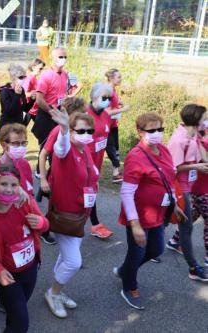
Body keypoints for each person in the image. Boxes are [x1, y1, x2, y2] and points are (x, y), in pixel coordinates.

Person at [114, 112, 186, 309]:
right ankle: (129, 285)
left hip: (160, 213)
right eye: (151, 130)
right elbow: (127, 193)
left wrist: (175, 204)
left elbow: (169, 179)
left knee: (157, 249)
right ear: (140, 132)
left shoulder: (164, 150)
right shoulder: (135, 156)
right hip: (139, 216)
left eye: (160, 129)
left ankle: (124, 270)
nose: (157, 133)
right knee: (137, 253)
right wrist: (135, 224)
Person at [0, 165, 49, 332]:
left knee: (16, 313)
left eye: (14, 185)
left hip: (31, 268)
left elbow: (45, 225)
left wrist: (41, 223)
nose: (9, 190)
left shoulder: (25, 201)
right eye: (3, 184)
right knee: (21, 324)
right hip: (8, 275)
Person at [44, 111, 99, 319]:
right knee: (74, 262)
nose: (86, 134)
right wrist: (65, 130)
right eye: (81, 131)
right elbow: (60, 147)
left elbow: (91, 176)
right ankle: (53, 293)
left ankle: (58, 287)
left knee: (66, 256)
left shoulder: (85, 150)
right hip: (65, 215)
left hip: (80, 215)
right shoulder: (65, 151)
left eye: (89, 130)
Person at [165, 104, 208, 282]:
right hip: (179, 190)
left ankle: (191, 264)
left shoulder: (193, 136)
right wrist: (195, 166)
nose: (206, 121)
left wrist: (200, 138)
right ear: (196, 119)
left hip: (188, 190)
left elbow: (204, 159)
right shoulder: (178, 139)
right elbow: (173, 168)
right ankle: (193, 267)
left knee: (185, 227)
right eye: (204, 118)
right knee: (184, 227)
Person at [86, 82, 130, 239]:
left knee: (85, 196)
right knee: (85, 195)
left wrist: (114, 160)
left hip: (96, 165)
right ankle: (96, 225)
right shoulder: (83, 114)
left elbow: (107, 140)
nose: (108, 100)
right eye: (104, 97)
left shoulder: (106, 115)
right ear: (93, 96)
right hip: (82, 165)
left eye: (109, 98)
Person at [32, 47, 69, 150]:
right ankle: (41, 167)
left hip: (59, 113)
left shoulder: (65, 74)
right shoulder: (46, 75)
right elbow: (39, 99)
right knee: (45, 148)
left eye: (65, 57)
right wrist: (51, 112)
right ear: (53, 58)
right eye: (60, 57)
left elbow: (64, 94)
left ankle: (54, 166)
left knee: (58, 147)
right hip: (46, 114)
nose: (63, 59)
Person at [105, 68, 131, 183]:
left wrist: (120, 103)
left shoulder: (113, 90)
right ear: (111, 78)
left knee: (115, 148)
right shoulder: (107, 91)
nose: (121, 79)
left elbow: (113, 102)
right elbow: (107, 111)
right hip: (105, 125)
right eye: (118, 77)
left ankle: (116, 173)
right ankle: (115, 174)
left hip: (113, 124)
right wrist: (123, 109)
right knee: (110, 148)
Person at [191, 114, 207, 267]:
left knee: (192, 215)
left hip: (199, 189)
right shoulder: (203, 143)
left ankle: (175, 240)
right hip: (202, 190)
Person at [0, 64, 33, 130]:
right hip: (7, 127)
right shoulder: (5, 91)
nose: (23, 79)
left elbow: (24, 109)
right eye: (21, 77)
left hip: (18, 125)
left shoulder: (21, 89)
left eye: (24, 77)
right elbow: (9, 111)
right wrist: (17, 95)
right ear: (13, 78)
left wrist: (32, 99)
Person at [23, 58, 45, 126]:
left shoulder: (35, 79)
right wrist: (33, 93)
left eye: (42, 69)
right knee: (20, 129)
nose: (41, 71)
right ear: (33, 67)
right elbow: (23, 94)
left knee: (42, 129)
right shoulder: (29, 78)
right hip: (28, 109)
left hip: (35, 109)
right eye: (40, 68)